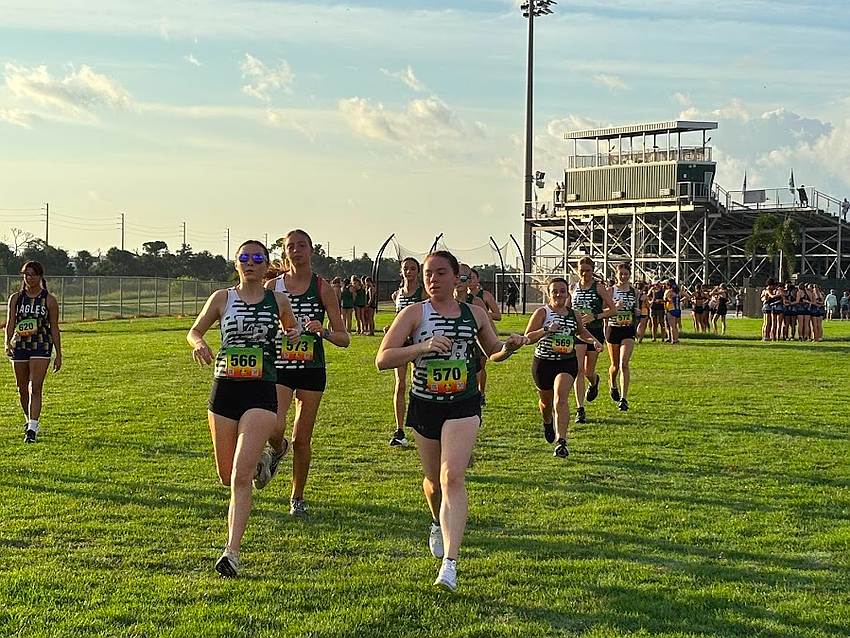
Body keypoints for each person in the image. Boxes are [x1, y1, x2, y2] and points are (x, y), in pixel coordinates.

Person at [376, 250, 527, 593]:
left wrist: (510, 347)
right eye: (429, 273)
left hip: (463, 403)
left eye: (441, 273)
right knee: (433, 482)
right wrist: (422, 347)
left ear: (456, 277)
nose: (433, 279)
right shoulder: (413, 313)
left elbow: (492, 352)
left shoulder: (474, 314)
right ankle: (436, 521)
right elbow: (382, 359)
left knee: (452, 476)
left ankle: (450, 565)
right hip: (425, 404)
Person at [186, 240, 299, 577]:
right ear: (236, 264)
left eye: (257, 258)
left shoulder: (277, 300)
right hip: (225, 390)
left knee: (238, 475)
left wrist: (292, 335)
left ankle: (231, 552)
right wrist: (201, 343)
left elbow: (290, 328)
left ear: (267, 265)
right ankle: (264, 461)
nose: (250, 263)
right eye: (244, 258)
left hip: (261, 390)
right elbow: (194, 331)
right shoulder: (222, 298)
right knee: (227, 475)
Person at [260, 229, 350, 518]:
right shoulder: (273, 286)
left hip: (311, 369)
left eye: (302, 246)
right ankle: (277, 449)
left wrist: (322, 331)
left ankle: (296, 498)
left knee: (303, 437)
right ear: (284, 252)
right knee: (274, 427)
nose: (296, 251)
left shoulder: (322, 288)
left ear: (312, 250)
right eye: (290, 247)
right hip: (281, 366)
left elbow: (343, 337)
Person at [525, 277, 602, 455]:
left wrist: (594, 341)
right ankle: (547, 422)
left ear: (568, 293)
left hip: (566, 362)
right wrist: (546, 330)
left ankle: (562, 442)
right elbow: (528, 337)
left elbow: (581, 332)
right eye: (554, 291)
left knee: (560, 399)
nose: (558, 294)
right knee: (546, 403)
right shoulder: (542, 313)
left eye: (562, 291)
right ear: (548, 294)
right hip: (543, 362)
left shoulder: (573, 314)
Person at [5, 261, 62, 443]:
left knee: (34, 387)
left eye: (33, 274)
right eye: (26, 274)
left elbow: (54, 327)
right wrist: (7, 343)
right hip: (20, 345)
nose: (30, 277)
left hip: (41, 345)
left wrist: (58, 353)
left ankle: (33, 428)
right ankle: (28, 420)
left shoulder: (49, 300)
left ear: (40, 276)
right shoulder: (16, 298)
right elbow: (10, 324)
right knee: (22, 389)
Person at [389, 257, 429, 448]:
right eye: (406, 268)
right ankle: (399, 430)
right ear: (401, 271)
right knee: (400, 385)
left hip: (417, 344)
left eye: (413, 269)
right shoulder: (398, 295)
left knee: (418, 386)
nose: (409, 272)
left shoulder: (422, 294)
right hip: (400, 345)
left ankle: (421, 426)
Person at [571, 257, 616, 423]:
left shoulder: (599, 288)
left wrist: (595, 316)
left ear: (592, 271)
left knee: (588, 372)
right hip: (577, 333)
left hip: (595, 331)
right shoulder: (573, 288)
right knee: (578, 371)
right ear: (578, 271)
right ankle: (580, 409)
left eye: (588, 270)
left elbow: (612, 311)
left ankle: (595, 381)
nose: (584, 274)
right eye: (581, 270)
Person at [607, 263, 639, 410]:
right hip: (613, 328)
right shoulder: (610, 291)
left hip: (628, 330)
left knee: (624, 363)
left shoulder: (634, 292)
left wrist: (637, 314)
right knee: (614, 366)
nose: (623, 276)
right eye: (621, 274)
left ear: (630, 275)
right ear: (616, 275)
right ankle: (612, 384)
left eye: (626, 274)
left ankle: (624, 399)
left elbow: (636, 310)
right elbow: (604, 311)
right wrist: (615, 308)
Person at [467, 268, 501, 407]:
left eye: (471, 278)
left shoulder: (484, 296)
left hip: (481, 334)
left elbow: (497, 315)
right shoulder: (455, 298)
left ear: (477, 280)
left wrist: (482, 314)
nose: (469, 281)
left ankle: (481, 393)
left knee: (480, 366)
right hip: (469, 336)